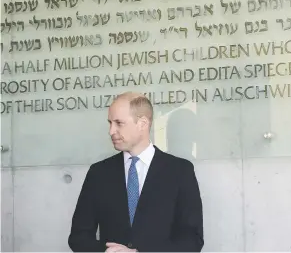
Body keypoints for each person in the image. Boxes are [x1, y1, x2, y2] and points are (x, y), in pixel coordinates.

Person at [68, 92, 204, 252]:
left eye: (119, 123)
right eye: (110, 123)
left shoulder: (180, 171)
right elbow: (78, 237)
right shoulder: (98, 173)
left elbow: (192, 239)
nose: (111, 131)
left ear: (142, 123)